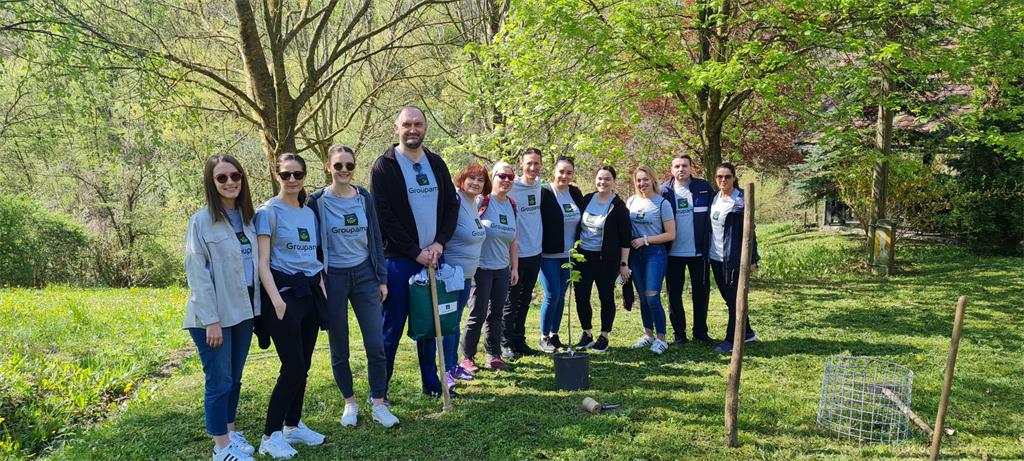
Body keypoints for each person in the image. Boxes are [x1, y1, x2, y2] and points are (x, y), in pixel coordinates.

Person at [307, 145, 399, 429]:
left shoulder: (364, 198)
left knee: (376, 344)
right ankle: (350, 402)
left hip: (365, 275)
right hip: (333, 277)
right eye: (339, 166)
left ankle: (379, 402)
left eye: (349, 166)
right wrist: (318, 276)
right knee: (339, 347)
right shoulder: (317, 201)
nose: (344, 171)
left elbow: (375, 238)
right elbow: (310, 240)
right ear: (328, 168)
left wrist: (381, 278)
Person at [370, 106, 459, 398]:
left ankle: (431, 384)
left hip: (434, 257)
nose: (413, 129)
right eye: (407, 124)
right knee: (391, 328)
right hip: (399, 260)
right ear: (397, 127)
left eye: (418, 124)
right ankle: (380, 392)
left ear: (425, 128)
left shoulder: (436, 163)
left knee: (430, 324)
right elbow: (384, 215)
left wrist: (439, 244)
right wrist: (413, 251)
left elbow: (451, 206)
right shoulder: (384, 166)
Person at [184, 155, 260, 461]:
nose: (230, 182)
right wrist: (211, 321)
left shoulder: (249, 219)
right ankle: (221, 449)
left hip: (243, 313)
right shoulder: (201, 222)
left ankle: (230, 431)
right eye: (222, 178)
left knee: (235, 378)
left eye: (235, 176)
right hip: (212, 318)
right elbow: (197, 274)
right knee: (219, 382)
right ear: (211, 183)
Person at [255, 153, 328, 459]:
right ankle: (269, 435)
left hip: (311, 296)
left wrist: (322, 292)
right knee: (293, 368)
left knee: (305, 366)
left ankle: (292, 425)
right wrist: (276, 300)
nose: (293, 179)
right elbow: (262, 263)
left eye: (298, 174)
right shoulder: (267, 212)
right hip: (284, 297)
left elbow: (313, 258)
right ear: (277, 176)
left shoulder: (309, 213)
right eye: (286, 174)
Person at [462, 162, 519, 371]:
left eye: (510, 178)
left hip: (502, 268)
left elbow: (514, 240)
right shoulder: (481, 202)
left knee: (496, 314)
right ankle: (467, 357)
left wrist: (514, 268)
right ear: (492, 178)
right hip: (481, 268)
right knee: (477, 313)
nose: (506, 180)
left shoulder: (512, 205)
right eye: (501, 176)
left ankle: (493, 355)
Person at [659, 154, 717, 345]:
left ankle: (700, 331)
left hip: (699, 253)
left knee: (701, 293)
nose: (680, 169)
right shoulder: (663, 191)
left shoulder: (704, 188)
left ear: (691, 168)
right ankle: (679, 334)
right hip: (672, 253)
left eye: (684, 166)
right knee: (674, 295)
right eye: (676, 166)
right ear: (671, 169)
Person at [573, 166, 631, 353]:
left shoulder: (619, 207)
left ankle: (604, 335)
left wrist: (624, 264)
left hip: (606, 259)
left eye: (607, 179)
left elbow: (625, 239)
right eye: (599, 178)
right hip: (583, 257)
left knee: (605, 297)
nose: (602, 182)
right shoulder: (587, 199)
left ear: (614, 182)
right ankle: (587, 333)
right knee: (581, 296)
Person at [443, 163, 489, 380]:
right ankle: (446, 370)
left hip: (466, 276)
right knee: (448, 325)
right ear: (461, 179)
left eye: (480, 180)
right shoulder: (455, 200)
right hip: (450, 275)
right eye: (471, 178)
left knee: (454, 323)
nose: (475, 183)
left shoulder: (474, 203)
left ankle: (453, 364)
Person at [709, 162, 760, 354]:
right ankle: (747, 332)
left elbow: (751, 232)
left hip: (734, 258)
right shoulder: (715, 198)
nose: (723, 180)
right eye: (719, 177)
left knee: (734, 299)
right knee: (729, 297)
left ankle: (731, 339)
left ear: (734, 178)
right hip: (716, 257)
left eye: (727, 176)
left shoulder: (741, 200)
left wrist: (752, 258)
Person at [627, 165, 676, 355]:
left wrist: (645, 240)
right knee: (642, 296)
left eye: (645, 179)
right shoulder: (631, 201)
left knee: (652, 296)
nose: (642, 183)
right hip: (635, 255)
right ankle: (648, 334)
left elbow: (671, 234)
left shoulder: (662, 204)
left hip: (654, 253)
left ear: (653, 180)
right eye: (639, 180)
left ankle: (662, 338)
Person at [538, 156, 585, 352]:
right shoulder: (544, 192)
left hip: (569, 255)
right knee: (552, 294)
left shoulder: (575, 193)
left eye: (569, 172)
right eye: (561, 171)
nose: (564, 176)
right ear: (554, 171)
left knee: (562, 294)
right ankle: (544, 336)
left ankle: (554, 334)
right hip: (548, 254)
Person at [501, 148, 545, 360]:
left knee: (525, 300)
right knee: (511, 302)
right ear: (521, 163)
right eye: (529, 163)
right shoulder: (511, 186)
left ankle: (520, 340)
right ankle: (506, 343)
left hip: (535, 252)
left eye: (536, 163)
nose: (533, 167)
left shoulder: (539, 186)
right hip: (515, 253)